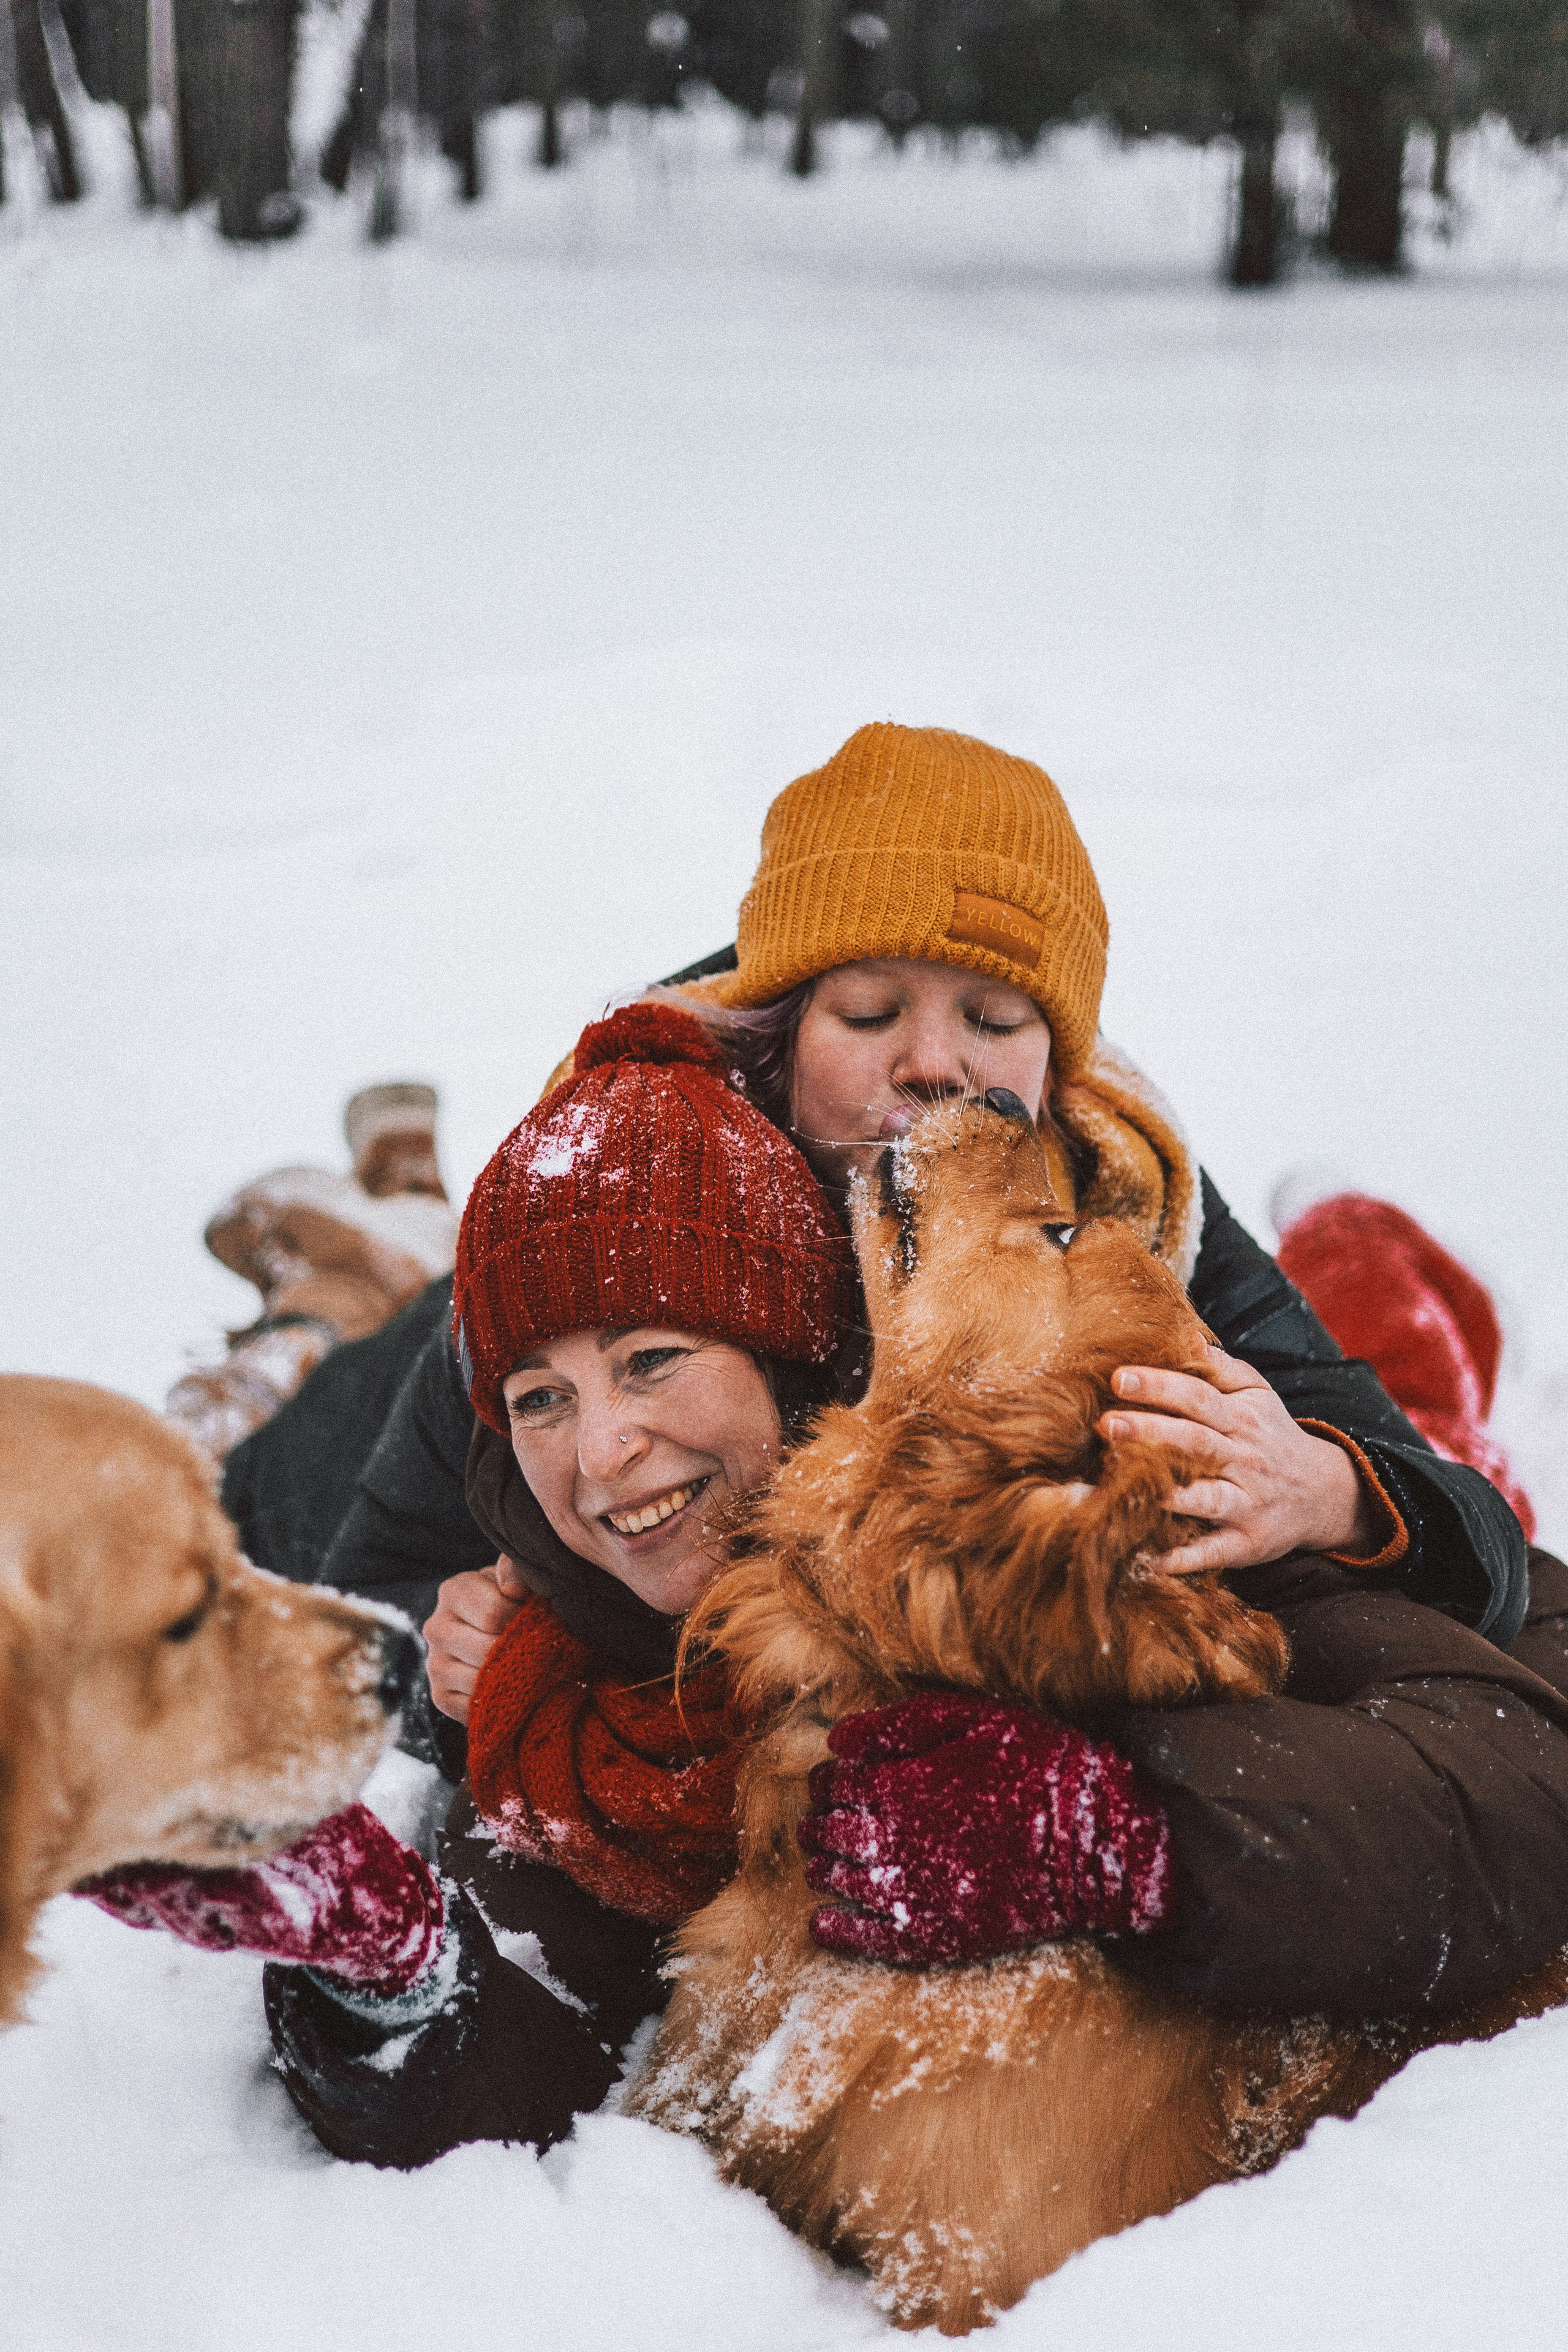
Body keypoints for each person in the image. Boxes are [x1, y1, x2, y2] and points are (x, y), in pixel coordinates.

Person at [82, 737, 1568, 2166]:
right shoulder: (595, 1237)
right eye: (866, 1014)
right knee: (257, 1449)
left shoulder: (1104, 1200)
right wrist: (456, 1663)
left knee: (1412, 1406)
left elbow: (1470, 1565)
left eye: (995, 1018)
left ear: (1057, 1057)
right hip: (354, 1430)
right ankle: (324, 1296)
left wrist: (1342, 1491)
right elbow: (376, 1586)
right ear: (782, 1030)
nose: (936, 1068)